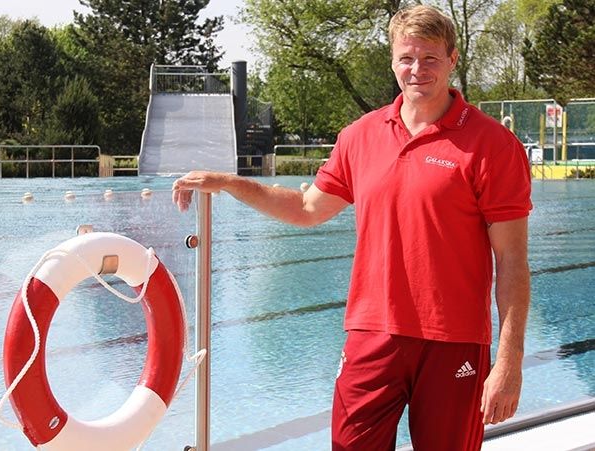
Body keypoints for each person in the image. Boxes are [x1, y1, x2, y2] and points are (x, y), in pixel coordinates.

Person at [172, 5, 532, 450]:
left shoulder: (492, 146)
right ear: (393, 60)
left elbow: (512, 261)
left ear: (452, 60)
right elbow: (307, 208)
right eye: (407, 57)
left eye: (430, 58)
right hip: (372, 332)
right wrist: (229, 183)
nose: (417, 69)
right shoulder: (360, 136)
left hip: (452, 340)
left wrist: (509, 361)